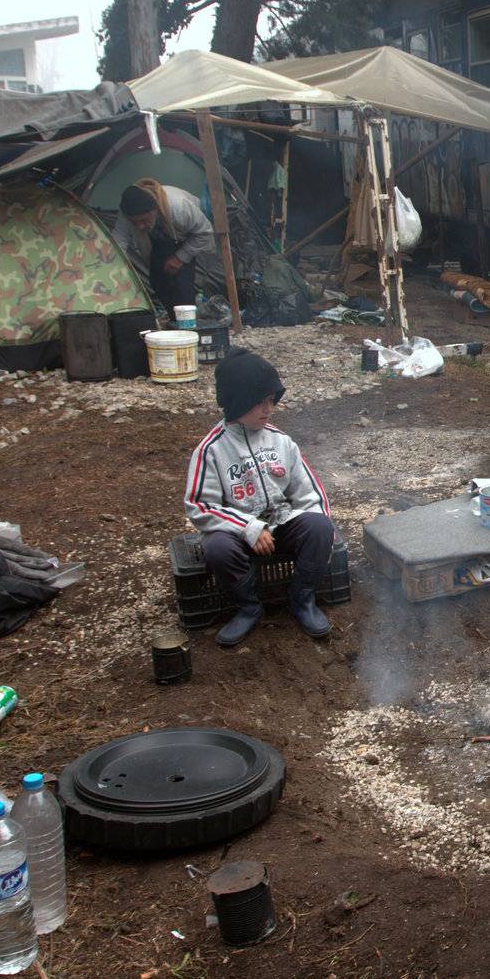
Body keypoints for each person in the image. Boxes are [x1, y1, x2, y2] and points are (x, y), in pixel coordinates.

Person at [184, 347, 336, 646]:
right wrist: (250, 528)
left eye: (271, 401)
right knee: (216, 548)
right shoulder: (211, 449)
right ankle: (248, 607)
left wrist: (320, 537)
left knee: (320, 527)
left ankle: (302, 599)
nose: (268, 410)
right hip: (238, 533)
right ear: (236, 401)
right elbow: (200, 505)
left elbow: (310, 494)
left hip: (281, 524)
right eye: (259, 402)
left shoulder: (281, 441)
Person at [112, 180, 223, 312]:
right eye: (134, 222)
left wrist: (180, 258)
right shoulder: (127, 213)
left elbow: (204, 232)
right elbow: (119, 241)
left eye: (143, 220)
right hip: (157, 240)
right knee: (157, 280)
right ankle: (174, 320)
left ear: (155, 209)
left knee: (182, 286)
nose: (139, 226)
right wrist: (114, 270)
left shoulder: (179, 206)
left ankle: (189, 324)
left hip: (188, 238)